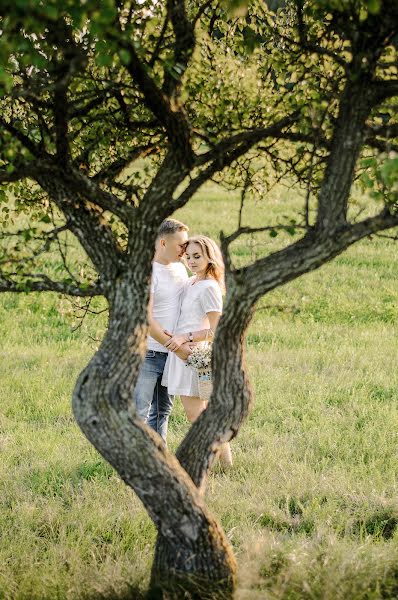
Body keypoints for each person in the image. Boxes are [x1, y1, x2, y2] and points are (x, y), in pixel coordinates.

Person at [162, 235, 233, 466]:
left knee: (196, 415)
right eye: (189, 256)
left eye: (197, 256)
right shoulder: (191, 282)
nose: (191, 261)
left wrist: (186, 336)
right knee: (200, 414)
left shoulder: (210, 287)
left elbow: (217, 329)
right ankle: (224, 464)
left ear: (209, 257)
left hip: (196, 356)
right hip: (181, 354)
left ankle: (208, 463)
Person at [134, 218, 190, 443]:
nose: (185, 250)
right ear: (163, 243)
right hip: (148, 353)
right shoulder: (148, 272)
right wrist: (175, 346)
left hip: (172, 356)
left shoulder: (180, 269)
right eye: (181, 245)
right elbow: (145, 319)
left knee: (162, 411)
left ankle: (159, 461)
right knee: (139, 411)